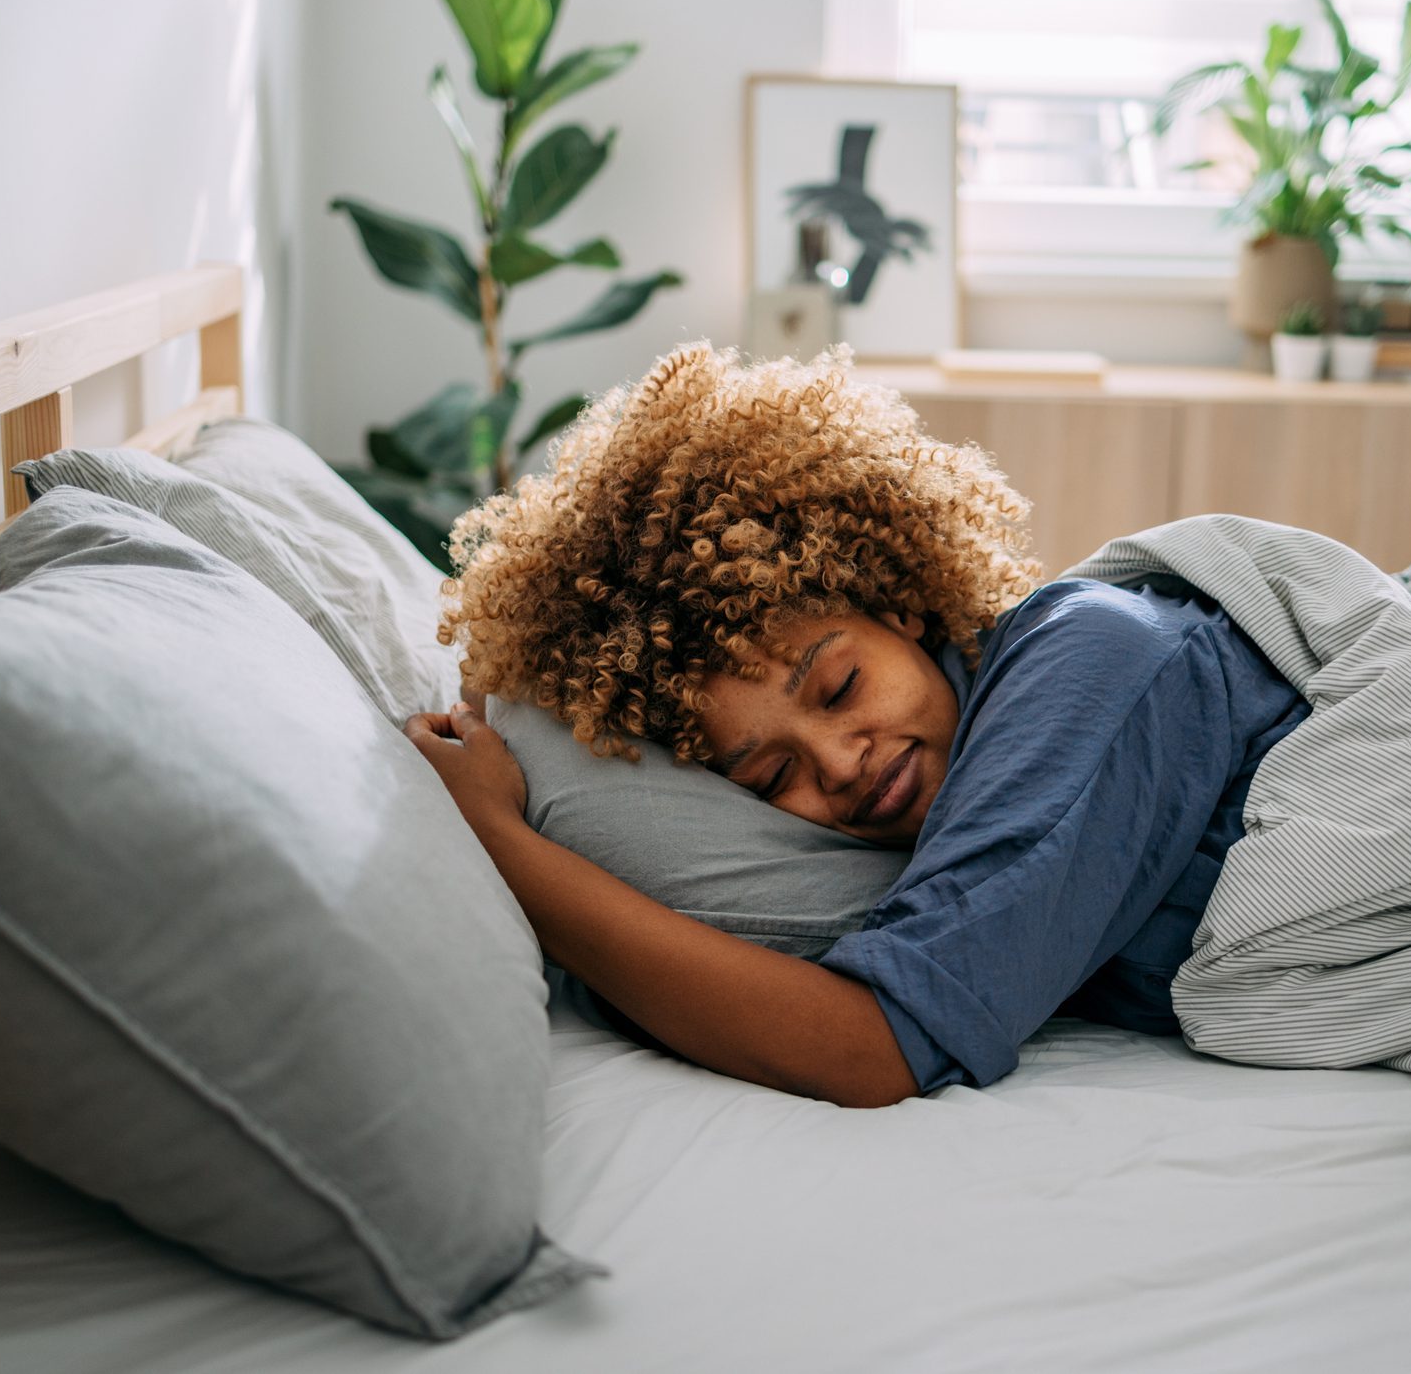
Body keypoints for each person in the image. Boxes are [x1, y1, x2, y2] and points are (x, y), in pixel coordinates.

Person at [406, 344, 1308, 1107]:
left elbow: (872, 1048)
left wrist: (501, 840)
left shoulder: (1085, 662)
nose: (839, 765)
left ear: (901, 606)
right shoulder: (935, 803)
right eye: (770, 779)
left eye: (838, 687)